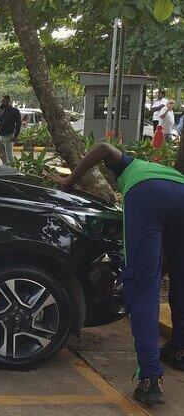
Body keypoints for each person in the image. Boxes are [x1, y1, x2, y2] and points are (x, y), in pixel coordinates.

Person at [46, 143, 184, 405]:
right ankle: (179, 349)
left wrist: (69, 179)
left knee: (143, 288)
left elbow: (103, 148)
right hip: (182, 193)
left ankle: (151, 380)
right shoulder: (167, 171)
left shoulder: (131, 166)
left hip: (147, 195)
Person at [0, 95, 21, 165]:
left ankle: (12, 170)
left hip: (8, 136)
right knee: (2, 155)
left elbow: (18, 124)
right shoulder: (1, 111)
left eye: (4, 101)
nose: (2, 103)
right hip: (0, 136)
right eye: (1, 101)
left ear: (9, 101)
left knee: (9, 155)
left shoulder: (15, 111)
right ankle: (5, 168)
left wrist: (16, 135)